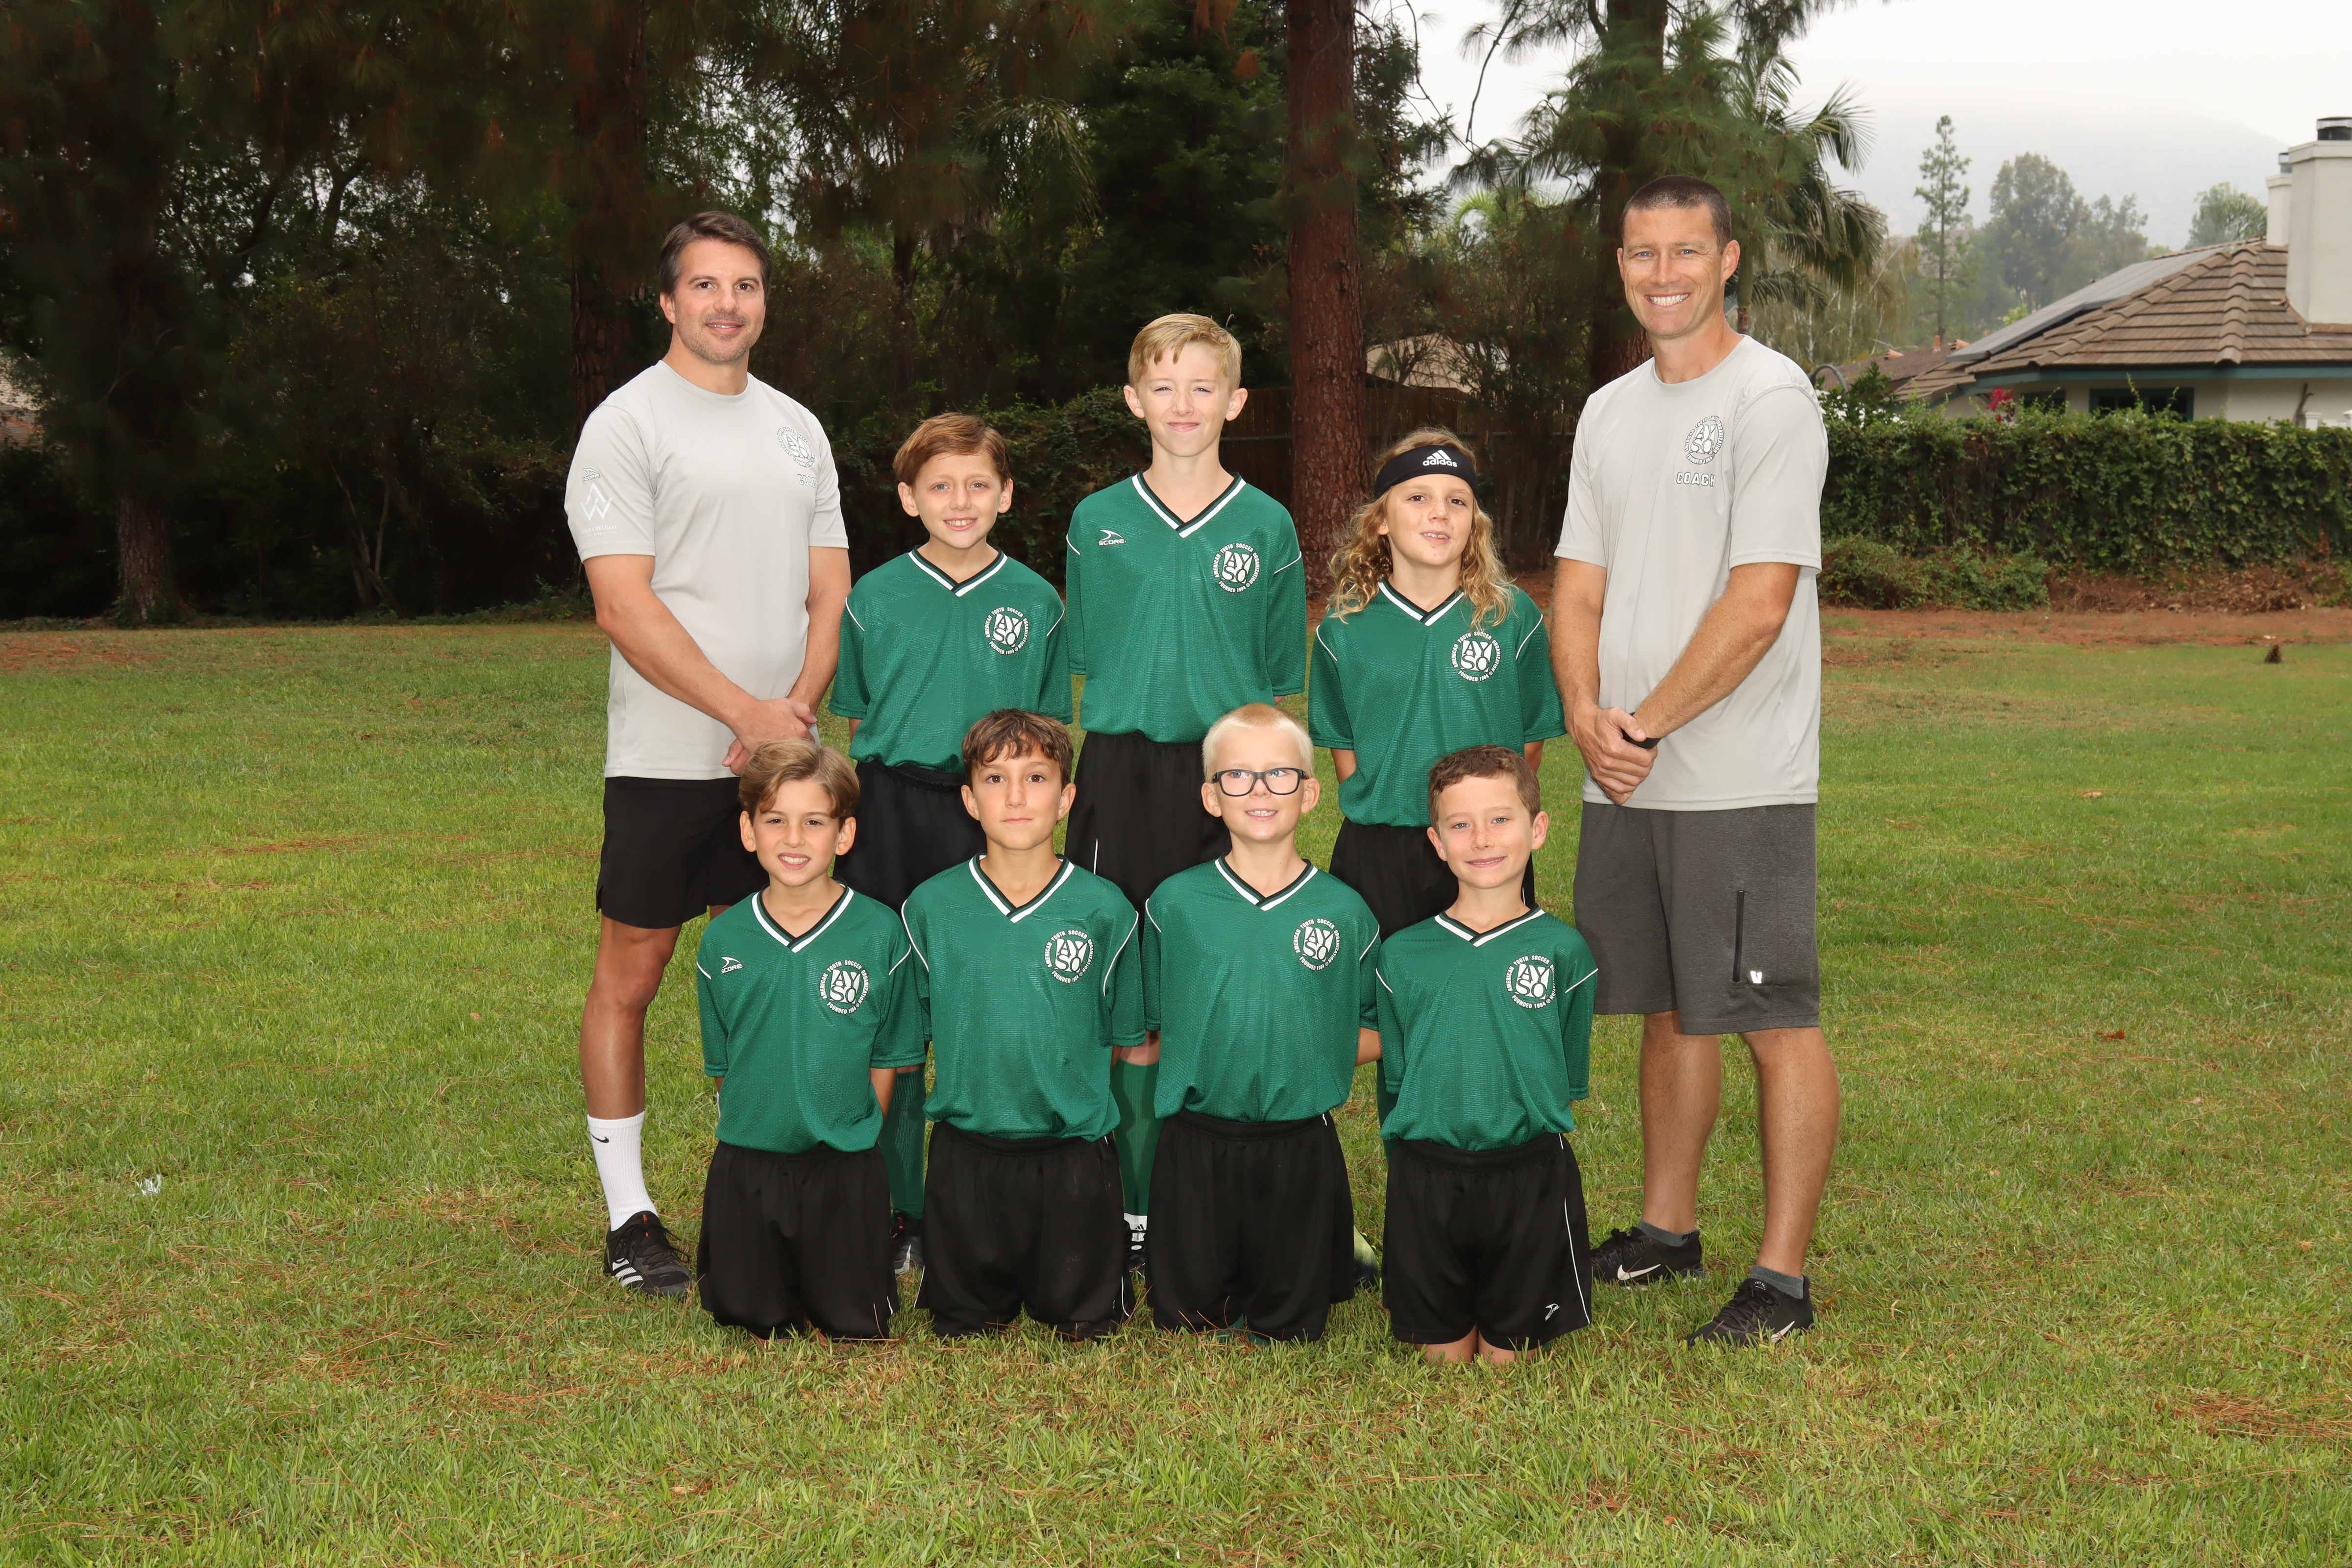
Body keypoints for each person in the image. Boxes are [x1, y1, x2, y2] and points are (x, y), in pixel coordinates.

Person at [1552, 175, 1841, 1346]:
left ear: (1728, 260)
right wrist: (1584, 711)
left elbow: (1759, 602)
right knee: (1668, 1002)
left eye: (1685, 251)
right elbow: (1577, 585)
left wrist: (1642, 725)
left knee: (1770, 1014)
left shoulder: (1771, 399)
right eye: (1641, 253)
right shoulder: (1608, 411)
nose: (1661, 273)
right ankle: (1665, 1231)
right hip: (1624, 766)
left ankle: (1781, 1282)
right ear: (1619, 264)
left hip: (1735, 774)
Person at [564, 210, 852, 1298]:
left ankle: (773, 1186)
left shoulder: (798, 429)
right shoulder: (626, 424)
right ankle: (629, 1215)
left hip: (783, 761)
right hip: (665, 757)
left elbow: (830, 588)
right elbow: (621, 604)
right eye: (705, 285)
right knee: (633, 975)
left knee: (776, 968)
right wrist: (744, 710)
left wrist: (794, 710)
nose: (728, 304)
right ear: (669, 300)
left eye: (746, 285)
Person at [1062, 313, 1307, 1269]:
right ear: (1134, 401)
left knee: (1222, 982)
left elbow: (1275, 677)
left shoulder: (1266, 524)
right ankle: (1128, 1204)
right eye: (1163, 387)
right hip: (1121, 770)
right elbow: (1089, 652)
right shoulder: (1098, 520)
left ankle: (1220, 1187)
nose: (1183, 404)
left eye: (1204, 387)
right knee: (1123, 989)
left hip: (1230, 775)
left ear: (1236, 402)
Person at [829, 413, 1072, 1275]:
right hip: (893, 810)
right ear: (908, 499)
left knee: (993, 1000)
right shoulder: (873, 596)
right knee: (894, 1012)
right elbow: (857, 723)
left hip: (996, 812)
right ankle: (899, 1207)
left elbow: (1046, 737)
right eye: (940, 486)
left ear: (1005, 496)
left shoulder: (1037, 601)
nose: (959, 501)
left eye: (977, 485)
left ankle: (998, 1195)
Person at [1139, 704, 1380, 1343]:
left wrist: (1306, 1055)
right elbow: (1151, 1028)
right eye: (1238, 776)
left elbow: (1375, 1027)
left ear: (1310, 793)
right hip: (1195, 1142)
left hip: (1298, 1143)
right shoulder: (1174, 904)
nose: (1259, 791)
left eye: (1279, 774)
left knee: (1290, 1328)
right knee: (1187, 1321)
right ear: (1211, 797)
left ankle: (1332, 1245)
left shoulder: (1345, 911)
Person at [901, 710, 1144, 1340]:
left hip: (1072, 1154)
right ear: (968, 800)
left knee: (1085, 1322)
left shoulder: (1105, 909)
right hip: (966, 1151)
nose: (1015, 796)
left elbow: (1123, 1040)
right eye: (995, 778)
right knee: (965, 1324)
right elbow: (913, 1035)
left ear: (1066, 798)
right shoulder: (930, 907)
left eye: (1036, 777)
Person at [693, 741, 923, 1340]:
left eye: (814, 822)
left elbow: (889, 1056)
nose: (793, 839)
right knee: (748, 1314)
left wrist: (855, 1139)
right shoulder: (724, 939)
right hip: (751, 1161)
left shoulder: (881, 932)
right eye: (776, 820)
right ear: (749, 831)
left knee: (855, 1319)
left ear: (845, 835)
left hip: (844, 1166)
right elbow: (724, 1064)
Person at [1376, 746, 1597, 1364]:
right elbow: (1400, 1070)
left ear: (1538, 828)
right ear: (1437, 841)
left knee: (1509, 1363)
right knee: (1442, 1362)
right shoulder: (1402, 954)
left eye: (1500, 819)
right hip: (1427, 1176)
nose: (1482, 839)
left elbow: (1565, 1067)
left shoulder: (1565, 951)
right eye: (1460, 824)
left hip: (1528, 1175)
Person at [1312, 426, 1565, 938]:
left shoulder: (1512, 616)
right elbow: (1345, 750)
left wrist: (1486, 817)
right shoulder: (1344, 626)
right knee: (1378, 984)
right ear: (1381, 520)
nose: (1440, 513)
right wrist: (1391, 806)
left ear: (1475, 523)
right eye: (1418, 497)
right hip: (1381, 849)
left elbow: (1531, 740)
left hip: (1483, 847)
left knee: (1486, 980)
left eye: (1457, 501)